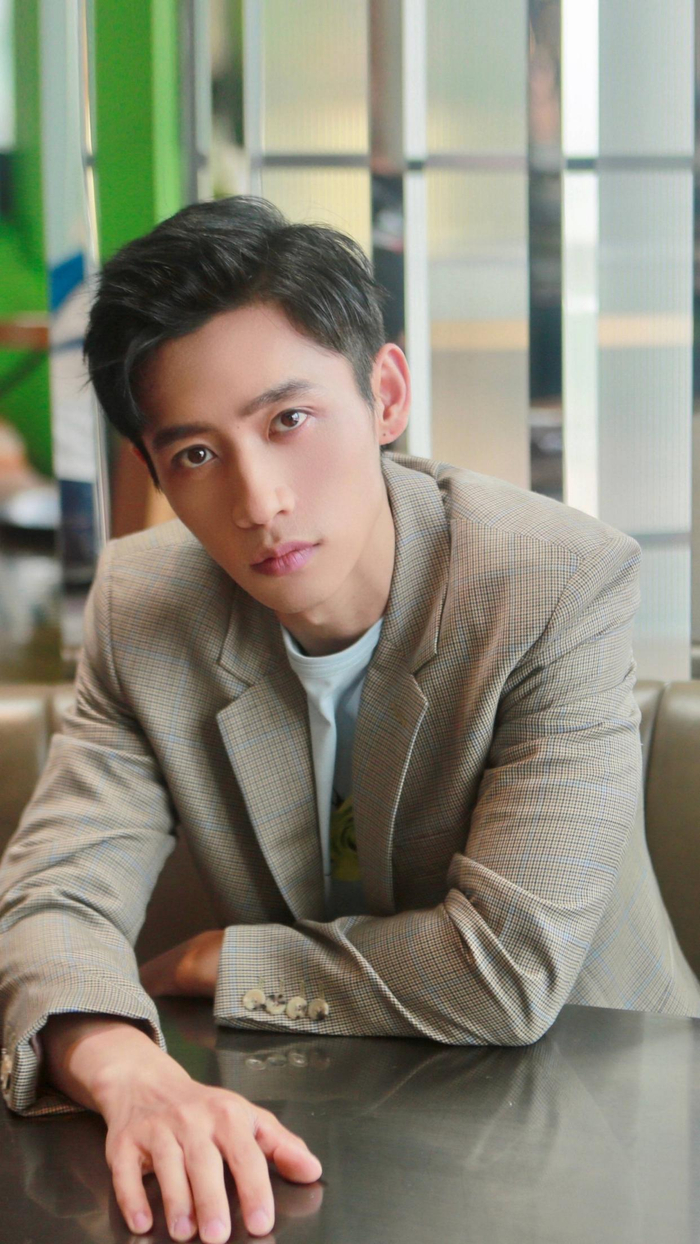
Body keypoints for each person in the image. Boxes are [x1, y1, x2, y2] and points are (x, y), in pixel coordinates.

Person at [1, 196, 698, 1244]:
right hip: (306, 1112)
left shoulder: (551, 580)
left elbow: (504, 971)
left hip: (599, 1100)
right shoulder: (145, 606)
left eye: (289, 420)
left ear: (385, 394)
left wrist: (223, 960)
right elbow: (53, 898)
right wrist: (129, 1070)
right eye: (196, 455)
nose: (260, 500)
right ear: (154, 474)